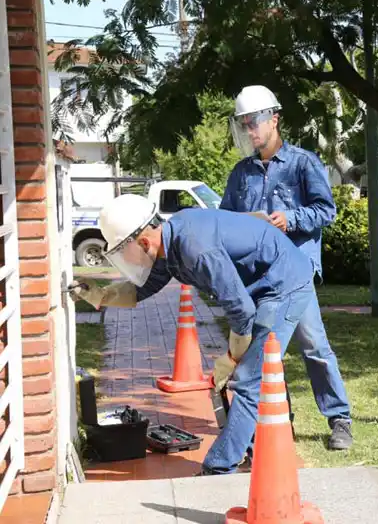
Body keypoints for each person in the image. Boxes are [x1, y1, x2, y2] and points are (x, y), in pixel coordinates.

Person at [70, 194, 318, 474]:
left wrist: (231, 357)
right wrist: (99, 295)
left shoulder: (194, 248)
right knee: (250, 372)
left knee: (249, 378)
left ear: (142, 243)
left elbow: (242, 310)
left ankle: (217, 468)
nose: (125, 259)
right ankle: (255, 449)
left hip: (284, 284)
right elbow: (145, 286)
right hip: (262, 287)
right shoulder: (170, 240)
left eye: (121, 251)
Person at [221, 84, 353, 450]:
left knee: (313, 345)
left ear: (274, 120)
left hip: (296, 272)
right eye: (243, 125)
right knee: (266, 345)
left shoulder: (303, 163)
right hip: (258, 276)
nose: (249, 132)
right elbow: (225, 221)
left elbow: (327, 211)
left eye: (253, 123)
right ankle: (280, 419)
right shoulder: (240, 174)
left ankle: (339, 419)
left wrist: (289, 219)